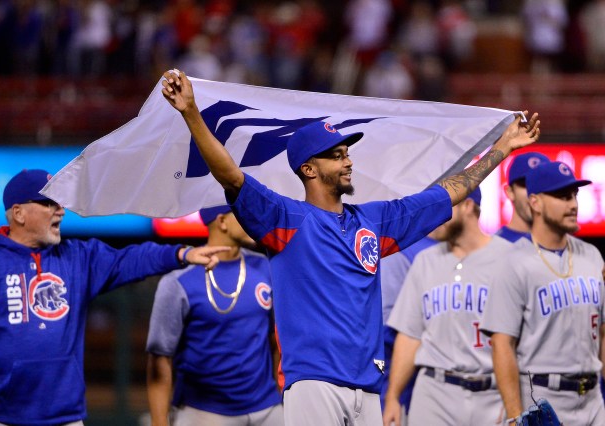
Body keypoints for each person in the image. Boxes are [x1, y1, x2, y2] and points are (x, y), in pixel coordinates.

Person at [161, 70, 539, 425]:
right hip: (313, 385)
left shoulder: (374, 222)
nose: (348, 161)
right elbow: (230, 175)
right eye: (337, 155)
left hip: (368, 387)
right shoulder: (285, 219)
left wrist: (502, 148)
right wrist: (192, 113)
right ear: (309, 169)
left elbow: (450, 192)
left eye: (346, 152)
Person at [0, 169, 228, 426]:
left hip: (64, 415)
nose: (60, 210)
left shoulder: (77, 257)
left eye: (60, 203)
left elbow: (131, 259)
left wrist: (180, 254)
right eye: (49, 203)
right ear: (19, 213)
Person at [481, 161, 605, 425]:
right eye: (562, 196)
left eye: (574, 195)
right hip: (543, 397)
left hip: (593, 398)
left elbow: (603, 333)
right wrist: (515, 415)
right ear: (535, 202)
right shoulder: (512, 262)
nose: (573, 204)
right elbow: (502, 345)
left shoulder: (592, 256)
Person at [382, 188, 512, 425]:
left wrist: (514, 402)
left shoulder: (510, 259)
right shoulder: (425, 261)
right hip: (435, 391)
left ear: (468, 206)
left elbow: (525, 341)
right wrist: (393, 396)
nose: (434, 216)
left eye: (443, 206)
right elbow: (409, 336)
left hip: (493, 392)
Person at [146, 205, 283, 426]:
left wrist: (281, 393)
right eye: (244, 213)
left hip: (267, 407)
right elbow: (160, 357)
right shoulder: (178, 281)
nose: (254, 219)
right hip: (203, 412)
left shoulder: (265, 267)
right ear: (222, 222)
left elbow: (276, 340)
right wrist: (159, 421)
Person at [379, 234, 437, 413]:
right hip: (397, 366)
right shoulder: (404, 248)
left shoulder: (464, 253)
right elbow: (386, 326)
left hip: (439, 376)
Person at [495, 151, 550, 243]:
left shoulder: (569, 246)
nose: (534, 193)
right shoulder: (493, 248)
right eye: (526, 184)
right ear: (510, 192)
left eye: (542, 183)